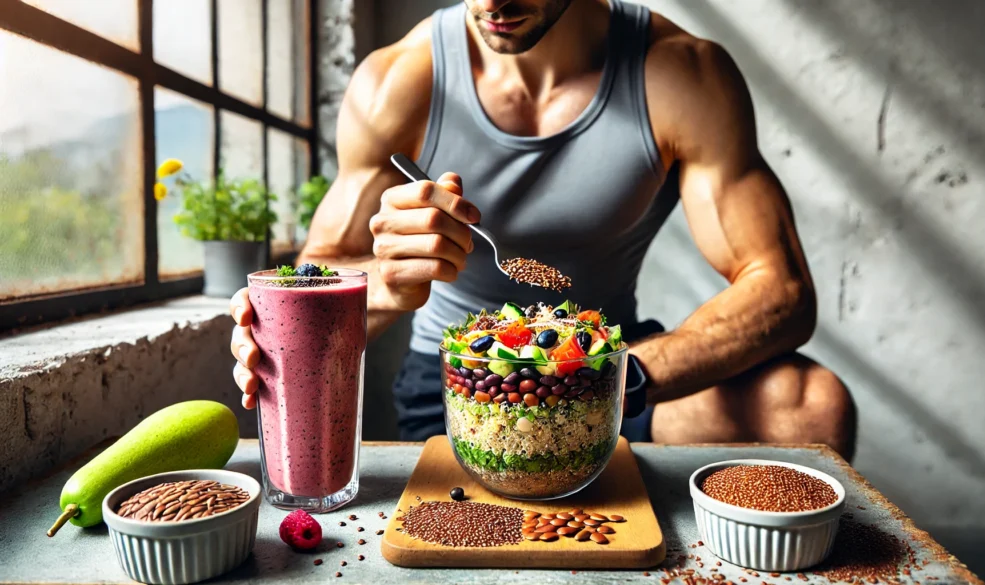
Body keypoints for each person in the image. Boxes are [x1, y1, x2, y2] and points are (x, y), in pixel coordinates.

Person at [229, 0, 856, 459]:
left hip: (613, 362)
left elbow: (780, 288)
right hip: (459, 380)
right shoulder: (398, 81)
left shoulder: (680, 73)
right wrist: (389, 284)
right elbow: (312, 282)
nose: (492, 4)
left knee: (811, 404)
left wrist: (605, 374)